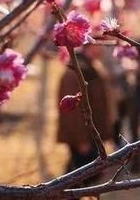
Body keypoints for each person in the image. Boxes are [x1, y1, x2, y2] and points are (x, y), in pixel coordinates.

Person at [57, 43, 114, 183]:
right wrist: (80, 139)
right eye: (99, 45)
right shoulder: (75, 72)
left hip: (92, 134)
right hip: (83, 137)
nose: (102, 48)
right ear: (89, 47)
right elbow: (71, 112)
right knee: (78, 176)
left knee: (86, 174)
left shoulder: (92, 68)